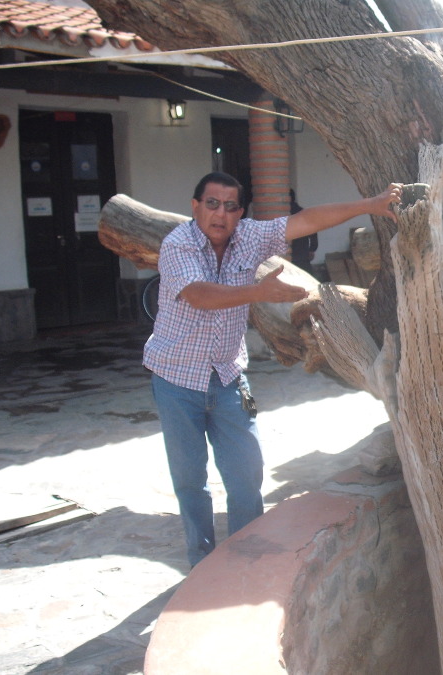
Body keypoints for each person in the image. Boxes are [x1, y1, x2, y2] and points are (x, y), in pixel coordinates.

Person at [144, 171, 401, 568]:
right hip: (177, 379)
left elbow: (308, 220)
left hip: (228, 377)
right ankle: (201, 562)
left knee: (247, 474)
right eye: (211, 204)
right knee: (190, 480)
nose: (220, 214)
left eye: (230, 206)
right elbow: (198, 295)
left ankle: (245, 560)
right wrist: (258, 294)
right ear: (196, 207)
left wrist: (370, 205)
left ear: (240, 212)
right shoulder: (178, 244)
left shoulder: (248, 236)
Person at [288, 189, 319, 275]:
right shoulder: (303, 212)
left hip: (287, 255)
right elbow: (313, 232)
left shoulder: (281, 214)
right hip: (302, 253)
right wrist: (312, 249)